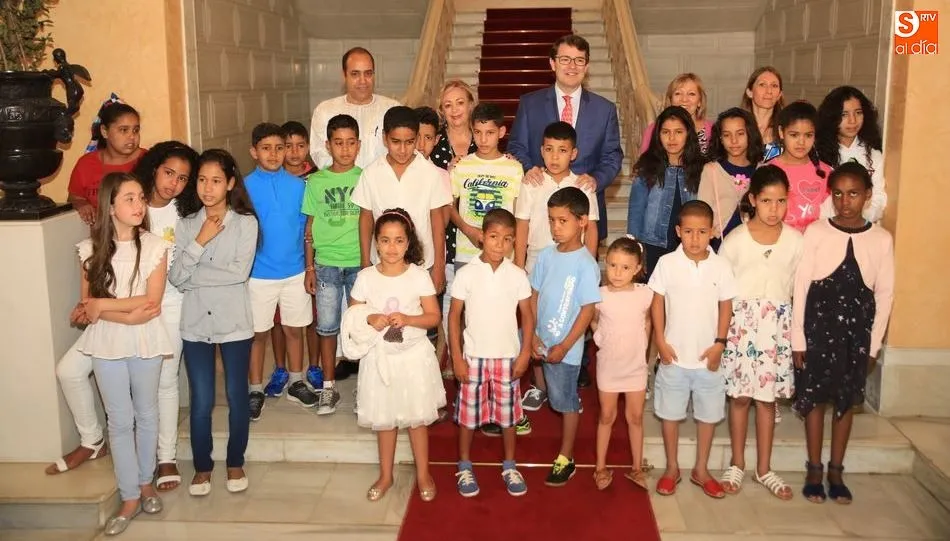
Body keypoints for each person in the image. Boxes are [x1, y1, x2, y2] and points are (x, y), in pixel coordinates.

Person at [47, 142, 199, 494]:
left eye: (182, 178)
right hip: (114, 313)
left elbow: (155, 295)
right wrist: (95, 307)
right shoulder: (128, 202)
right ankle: (92, 440)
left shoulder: (185, 212)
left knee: (164, 382)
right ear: (154, 169)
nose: (174, 183)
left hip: (163, 306)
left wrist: (100, 308)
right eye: (168, 173)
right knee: (70, 370)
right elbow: (98, 279)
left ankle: (165, 457)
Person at [73, 172, 172, 535]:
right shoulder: (90, 250)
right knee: (119, 419)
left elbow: (151, 301)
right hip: (106, 342)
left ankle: (146, 482)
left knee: (146, 413)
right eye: (129, 198)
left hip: (146, 339)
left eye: (141, 198)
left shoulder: (156, 246)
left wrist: (104, 306)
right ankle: (129, 495)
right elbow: (87, 305)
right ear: (110, 206)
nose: (138, 205)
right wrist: (121, 314)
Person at [792, 162, 894, 504]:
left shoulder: (881, 239)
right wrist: (797, 338)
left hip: (856, 333)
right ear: (830, 195)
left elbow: (885, 294)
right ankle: (814, 469)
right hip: (818, 327)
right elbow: (801, 287)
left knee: (845, 400)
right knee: (815, 399)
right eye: (838, 194)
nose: (845, 201)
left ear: (867, 195)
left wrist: (873, 346)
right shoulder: (817, 232)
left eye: (853, 194)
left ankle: (836, 470)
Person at [168, 149, 258, 497]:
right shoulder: (186, 225)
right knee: (201, 399)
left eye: (216, 181)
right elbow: (176, 277)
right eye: (202, 180)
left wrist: (195, 273)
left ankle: (235, 462)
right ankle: (202, 467)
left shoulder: (246, 223)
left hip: (234, 321)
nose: (208, 188)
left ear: (230, 183)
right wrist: (200, 240)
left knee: (237, 395)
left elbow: (238, 273)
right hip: (195, 323)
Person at [343, 209, 446, 503]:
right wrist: (371, 317)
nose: (392, 247)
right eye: (385, 240)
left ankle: (423, 474)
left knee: (417, 419)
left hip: (413, 358)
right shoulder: (366, 277)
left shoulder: (418, 276)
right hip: (380, 358)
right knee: (384, 418)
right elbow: (353, 314)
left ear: (408, 242)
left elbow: (433, 317)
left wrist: (409, 319)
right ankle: (386, 475)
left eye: (399, 240)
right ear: (376, 242)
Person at [717, 166, 803, 500]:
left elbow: (800, 289)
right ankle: (737, 462)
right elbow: (721, 292)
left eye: (781, 201)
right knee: (740, 398)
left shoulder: (796, 241)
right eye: (766, 201)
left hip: (775, 331)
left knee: (767, 401)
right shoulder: (735, 241)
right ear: (752, 199)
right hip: (741, 328)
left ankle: (764, 468)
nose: (774, 209)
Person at [649, 200, 736, 499]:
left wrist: (720, 344)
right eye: (688, 232)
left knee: (708, 416)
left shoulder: (721, 266)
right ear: (678, 232)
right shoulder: (667, 263)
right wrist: (660, 341)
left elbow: (726, 305)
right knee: (670, 415)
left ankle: (701, 469)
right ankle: (672, 468)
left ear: (712, 231)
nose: (695, 238)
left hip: (708, 357)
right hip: (673, 356)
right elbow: (657, 302)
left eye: (701, 231)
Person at [514, 121, 598, 417]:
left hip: (572, 265)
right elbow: (521, 224)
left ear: (573, 153)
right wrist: (518, 265)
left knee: (566, 319)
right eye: (549, 149)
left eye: (562, 150)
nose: (554, 156)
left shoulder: (583, 185)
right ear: (541, 150)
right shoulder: (532, 181)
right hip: (537, 261)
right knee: (535, 323)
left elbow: (592, 229)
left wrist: (588, 262)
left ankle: (566, 383)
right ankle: (539, 385)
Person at [450, 209, 534, 497]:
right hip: (473, 357)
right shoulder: (467, 273)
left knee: (508, 416)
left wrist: (525, 352)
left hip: (507, 357)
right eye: (494, 237)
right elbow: (454, 316)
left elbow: (527, 315)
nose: (500, 244)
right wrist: (457, 357)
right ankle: (464, 465)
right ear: (482, 237)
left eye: (508, 239)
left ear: (514, 242)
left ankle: (509, 465)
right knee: (468, 415)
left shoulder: (517, 275)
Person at [508, 34, 622, 244]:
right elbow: (516, 146)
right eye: (565, 59)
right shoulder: (530, 104)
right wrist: (528, 168)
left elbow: (612, 156)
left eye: (579, 60)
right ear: (553, 63)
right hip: (539, 214)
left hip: (584, 215)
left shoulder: (604, 109)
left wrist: (596, 179)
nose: (572, 66)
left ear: (586, 66)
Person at [244, 123, 319, 420]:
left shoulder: (299, 186)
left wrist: (308, 266)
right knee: (258, 333)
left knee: (294, 330)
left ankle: (296, 381)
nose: (274, 154)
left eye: (279, 148)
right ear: (254, 152)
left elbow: (305, 229)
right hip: (258, 274)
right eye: (266, 148)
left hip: (294, 271)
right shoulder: (244, 187)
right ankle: (254, 389)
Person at [529, 187, 601, 487]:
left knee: (565, 402)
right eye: (551, 220)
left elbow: (587, 311)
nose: (555, 227)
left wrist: (565, 345)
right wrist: (532, 333)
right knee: (546, 388)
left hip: (566, 349)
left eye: (563, 221)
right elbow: (533, 295)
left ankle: (566, 457)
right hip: (541, 339)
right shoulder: (546, 256)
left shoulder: (586, 264)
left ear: (582, 221)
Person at [351, 106, 451, 295]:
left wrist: (439, 266)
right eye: (396, 142)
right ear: (384, 138)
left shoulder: (430, 173)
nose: (403, 150)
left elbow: (437, 220)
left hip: (423, 265)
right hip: (382, 265)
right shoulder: (371, 173)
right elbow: (365, 218)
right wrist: (365, 263)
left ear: (417, 138)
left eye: (410, 142)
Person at [302, 114, 363, 415]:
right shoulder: (316, 181)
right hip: (325, 264)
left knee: (361, 326)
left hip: (359, 264)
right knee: (327, 327)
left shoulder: (366, 177)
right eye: (338, 143)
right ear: (328, 145)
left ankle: (365, 388)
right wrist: (309, 268)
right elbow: (309, 227)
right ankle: (328, 387)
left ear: (359, 145)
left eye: (351, 143)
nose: (345, 149)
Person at [591, 236, 652, 491]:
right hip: (609, 366)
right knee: (607, 416)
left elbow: (648, 321)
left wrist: (643, 348)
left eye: (625, 267)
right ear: (605, 263)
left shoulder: (645, 294)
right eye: (613, 265)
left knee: (635, 417)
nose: (618, 272)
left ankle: (637, 467)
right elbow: (593, 319)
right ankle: (600, 467)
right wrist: (600, 337)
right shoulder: (600, 295)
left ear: (637, 268)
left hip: (635, 367)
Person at [272, 120, 322, 390]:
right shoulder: (274, 178)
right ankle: (280, 368)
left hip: (312, 256)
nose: (293, 152)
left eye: (300, 145)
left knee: (313, 317)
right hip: (282, 259)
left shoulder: (318, 177)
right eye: (287, 146)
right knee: (279, 321)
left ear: (308, 147)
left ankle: (314, 366)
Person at [627, 106, 705, 277]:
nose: (672, 138)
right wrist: (634, 249)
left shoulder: (702, 169)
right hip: (652, 246)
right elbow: (636, 211)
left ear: (688, 134)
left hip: (689, 246)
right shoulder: (646, 167)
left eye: (678, 132)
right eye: (665, 132)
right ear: (658, 135)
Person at [449, 102, 523, 267]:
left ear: (501, 132)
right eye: (478, 132)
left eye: (490, 132)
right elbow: (449, 206)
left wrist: (518, 259)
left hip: (503, 255)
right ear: (472, 130)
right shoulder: (461, 166)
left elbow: (519, 216)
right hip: (467, 254)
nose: (483, 139)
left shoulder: (514, 169)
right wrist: (468, 230)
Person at [415, 105, 456, 377]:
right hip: (401, 261)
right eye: (416, 136)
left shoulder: (441, 176)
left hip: (430, 259)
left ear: (437, 140)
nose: (421, 144)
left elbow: (444, 222)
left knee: (431, 322)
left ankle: (429, 378)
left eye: (428, 138)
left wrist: (438, 266)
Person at [310, 47, 399, 169]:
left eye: (368, 73)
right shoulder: (325, 110)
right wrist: (349, 176)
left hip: (383, 180)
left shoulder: (392, 109)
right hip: (339, 180)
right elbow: (319, 153)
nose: (363, 81)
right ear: (344, 75)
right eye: (355, 74)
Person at [816, 86, 887, 223]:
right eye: (844, 114)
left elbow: (879, 197)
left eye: (858, 113)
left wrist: (858, 220)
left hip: (863, 226)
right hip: (824, 226)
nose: (853, 120)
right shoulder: (816, 153)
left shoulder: (874, 155)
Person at [68, 101, 146, 226]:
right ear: (104, 131)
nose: (132, 136)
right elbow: (74, 198)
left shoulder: (148, 160)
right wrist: (82, 204)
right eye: (124, 130)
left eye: (136, 130)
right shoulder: (86, 163)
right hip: (99, 234)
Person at [698, 107, 765, 245]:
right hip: (719, 245)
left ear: (750, 134)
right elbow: (702, 213)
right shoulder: (711, 170)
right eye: (727, 135)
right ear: (720, 138)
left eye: (740, 134)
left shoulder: (762, 170)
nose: (734, 140)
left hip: (754, 244)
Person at [769, 101, 833, 233]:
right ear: (781, 132)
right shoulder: (768, 171)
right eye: (794, 135)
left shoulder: (826, 172)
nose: (801, 142)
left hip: (817, 242)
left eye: (808, 135)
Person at [640, 73, 715, 155]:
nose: (684, 99)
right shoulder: (653, 130)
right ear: (670, 99)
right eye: (678, 93)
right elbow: (644, 161)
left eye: (691, 94)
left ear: (699, 101)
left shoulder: (713, 130)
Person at [741, 67, 785, 162]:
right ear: (749, 92)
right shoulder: (737, 125)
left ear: (779, 95)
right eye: (762, 85)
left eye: (774, 86)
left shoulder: (786, 128)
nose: (769, 91)